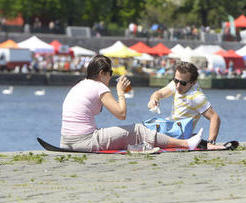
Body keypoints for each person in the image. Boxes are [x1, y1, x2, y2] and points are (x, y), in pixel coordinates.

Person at [60, 55, 205, 152]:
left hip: (66, 141)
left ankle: (145, 145)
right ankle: (186, 144)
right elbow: (121, 114)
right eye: (110, 73)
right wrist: (120, 92)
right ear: (101, 73)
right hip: (85, 141)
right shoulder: (99, 87)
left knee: (126, 134)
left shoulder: (80, 84)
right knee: (138, 130)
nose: (110, 77)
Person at [147, 61, 221, 146]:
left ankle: (193, 140)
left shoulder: (197, 97)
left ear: (193, 82)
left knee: (141, 133)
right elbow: (159, 93)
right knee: (142, 129)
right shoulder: (176, 84)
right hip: (170, 127)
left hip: (179, 135)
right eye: (176, 80)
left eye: (183, 83)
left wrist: (211, 142)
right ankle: (194, 139)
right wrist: (154, 99)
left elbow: (215, 117)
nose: (178, 86)